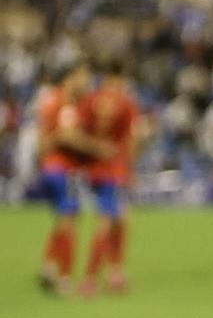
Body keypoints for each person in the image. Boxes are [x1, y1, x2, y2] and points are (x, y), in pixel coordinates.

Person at [32, 62, 99, 294]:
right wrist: (97, 149)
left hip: (49, 169)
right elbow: (67, 136)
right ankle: (65, 278)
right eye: (84, 77)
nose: (88, 83)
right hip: (63, 170)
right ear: (71, 78)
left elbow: (42, 142)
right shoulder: (65, 103)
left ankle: (49, 267)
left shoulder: (50, 100)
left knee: (62, 219)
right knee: (71, 219)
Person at [77, 62, 142, 296]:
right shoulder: (125, 102)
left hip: (94, 170)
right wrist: (129, 169)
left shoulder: (90, 100)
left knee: (120, 218)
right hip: (115, 169)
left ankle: (114, 273)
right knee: (109, 221)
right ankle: (92, 278)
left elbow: (79, 132)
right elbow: (134, 137)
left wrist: (92, 151)